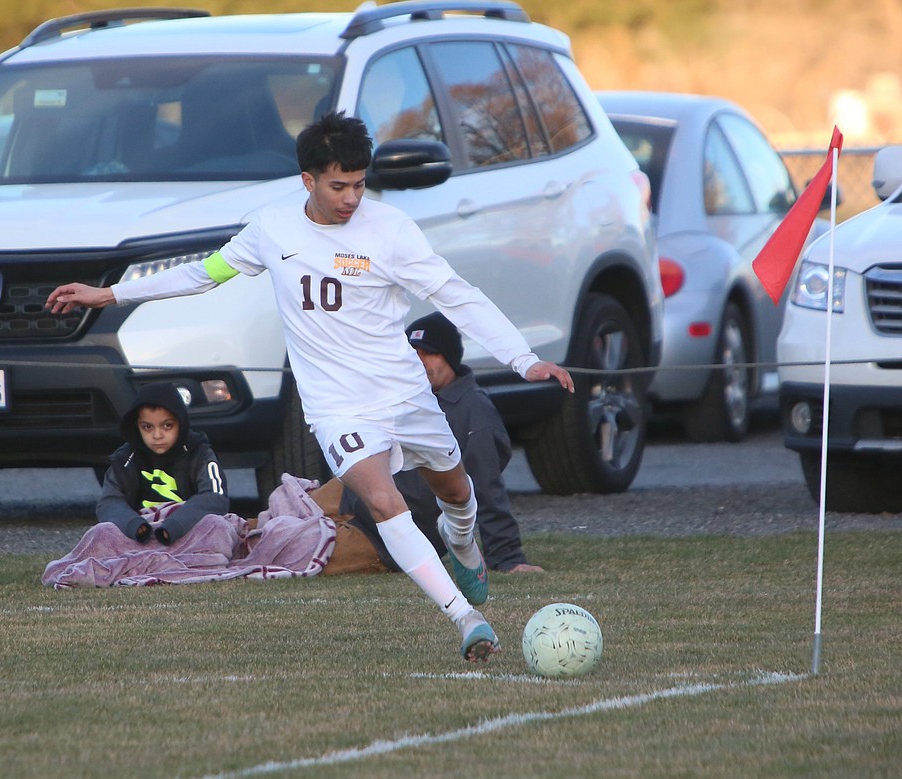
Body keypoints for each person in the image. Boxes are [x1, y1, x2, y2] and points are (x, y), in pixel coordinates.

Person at [46, 112, 574, 664]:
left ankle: (463, 543)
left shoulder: (391, 231)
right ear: (308, 180)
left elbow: (457, 295)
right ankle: (466, 619)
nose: (351, 198)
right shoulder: (272, 230)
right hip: (337, 406)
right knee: (381, 498)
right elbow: (206, 272)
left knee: (456, 492)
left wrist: (523, 359)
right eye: (338, 185)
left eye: (360, 184)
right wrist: (109, 295)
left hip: (404, 393)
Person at [328, 312, 543, 575]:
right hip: (352, 491)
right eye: (412, 352)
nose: (418, 361)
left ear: (450, 357)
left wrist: (507, 558)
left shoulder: (474, 413)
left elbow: (488, 489)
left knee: (286, 550)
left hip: (384, 534)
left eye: (429, 353)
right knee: (276, 516)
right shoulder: (402, 396)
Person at [97, 382, 229, 545]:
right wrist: (134, 525)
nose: (157, 435)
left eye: (167, 426)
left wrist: (174, 525)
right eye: (147, 427)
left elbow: (215, 497)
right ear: (136, 426)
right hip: (140, 532)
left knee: (218, 526)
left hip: (187, 529)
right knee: (100, 532)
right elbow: (109, 502)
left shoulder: (198, 453)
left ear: (181, 423)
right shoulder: (125, 458)